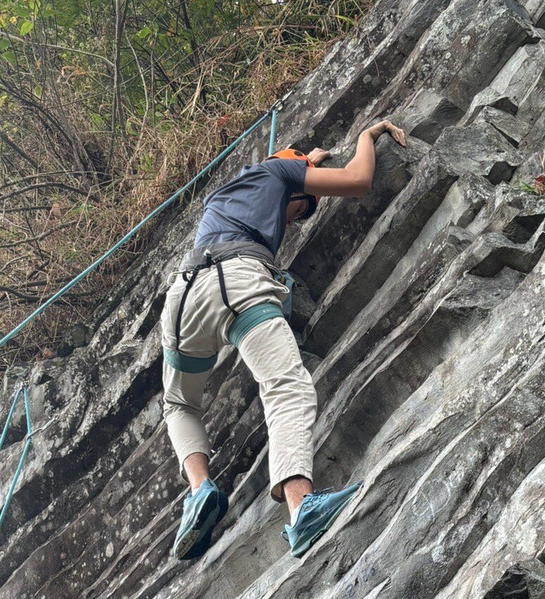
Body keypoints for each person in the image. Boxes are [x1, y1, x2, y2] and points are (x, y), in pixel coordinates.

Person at [161, 119, 407, 560]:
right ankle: (301, 510)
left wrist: (304, 166)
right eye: (301, 210)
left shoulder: (231, 192)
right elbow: (357, 179)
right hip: (235, 280)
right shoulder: (279, 171)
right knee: (285, 385)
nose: (294, 221)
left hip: (181, 296)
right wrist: (366, 137)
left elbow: (288, 175)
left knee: (179, 403)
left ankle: (199, 491)